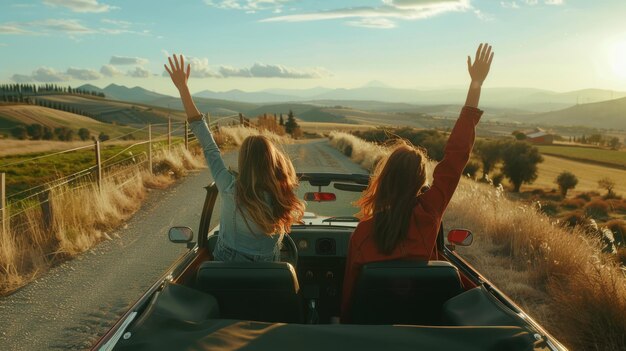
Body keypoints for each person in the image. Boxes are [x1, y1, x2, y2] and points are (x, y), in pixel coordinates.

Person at [341, 43, 495, 321]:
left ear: (384, 180)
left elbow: (350, 300)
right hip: (423, 332)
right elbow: (456, 157)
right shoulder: (429, 213)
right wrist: (475, 85)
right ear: (419, 182)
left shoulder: (363, 234)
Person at [164, 54, 304, 262]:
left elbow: (208, 145)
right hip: (269, 279)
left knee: (211, 244)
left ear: (244, 162)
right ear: (272, 162)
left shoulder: (229, 186)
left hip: (226, 272)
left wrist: (183, 88)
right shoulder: (281, 195)